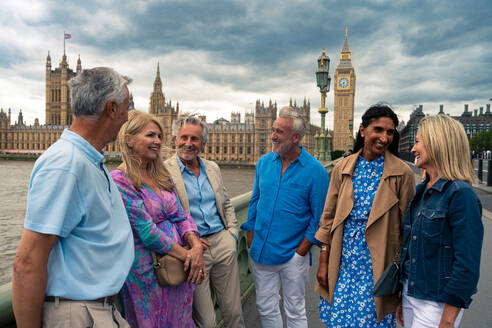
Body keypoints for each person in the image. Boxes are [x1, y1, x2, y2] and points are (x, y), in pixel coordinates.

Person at [12, 67, 134, 327]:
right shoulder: (65, 164)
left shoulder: (88, 160)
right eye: (127, 106)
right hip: (78, 314)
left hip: (101, 309)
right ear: (111, 108)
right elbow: (26, 263)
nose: (128, 116)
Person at [315, 104, 416, 327]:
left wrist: (400, 276)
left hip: (378, 269)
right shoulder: (343, 168)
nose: (384, 137)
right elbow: (328, 219)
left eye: (390, 132)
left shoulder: (402, 173)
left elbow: (408, 229)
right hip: (343, 265)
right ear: (362, 130)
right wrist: (323, 261)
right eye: (378, 130)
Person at [111, 110, 206, 328]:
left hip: (179, 269)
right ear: (129, 140)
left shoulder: (161, 174)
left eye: (159, 136)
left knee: (181, 319)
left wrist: (196, 246)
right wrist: (188, 257)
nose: (157, 141)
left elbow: (182, 215)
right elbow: (147, 232)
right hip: (150, 271)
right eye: (151, 135)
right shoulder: (120, 180)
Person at [241, 106, 329, 328]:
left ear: (296, 137)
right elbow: (255, 201)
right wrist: (251, 235)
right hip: (261, 250)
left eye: (280, 132)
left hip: (293, 255)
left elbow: (319, 217)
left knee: (295, 309)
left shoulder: (315, 171)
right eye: (273, 130)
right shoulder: (263, 163)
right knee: (266, 306)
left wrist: (301, 252)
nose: (273, 136)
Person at [396, 115, 483, 328]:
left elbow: (467, 266)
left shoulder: (460, 195)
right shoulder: (421, 191)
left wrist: (448, 318)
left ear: (437, 143)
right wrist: (403, 296)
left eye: (417, 142)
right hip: (411, 294)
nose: (413, 149)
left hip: (436, 304)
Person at [164, 115, 245, 328]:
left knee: (234, 312)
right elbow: (164, 214)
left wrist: (232, 234)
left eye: (195, 139)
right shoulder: (163, 171)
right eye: (184, 137)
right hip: (194, 252)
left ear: (203, 143)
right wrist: (190, 243)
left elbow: (226, 203)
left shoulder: (213, 168)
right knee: (206, 321)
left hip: (222, 243)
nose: (188, 143)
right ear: (174, 139)